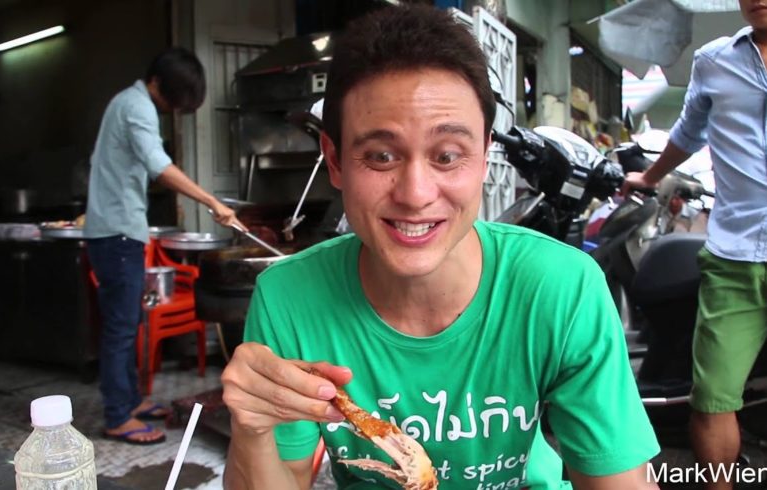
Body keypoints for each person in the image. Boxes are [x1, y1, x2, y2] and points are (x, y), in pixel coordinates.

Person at [221, 5, 660, 489]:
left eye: (447, 156)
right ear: (336, 161)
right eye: (380, 155)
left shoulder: (562, 288)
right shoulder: (290, 297)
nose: (415, 193)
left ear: (485, 156)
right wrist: (252, 427)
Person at [623, 1, 767, 488]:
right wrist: (649, 176)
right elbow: (688, 131)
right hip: (735, 256)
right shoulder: (714, 60)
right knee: (712, 397)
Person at [85, 47, 245, 445]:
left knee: (131, 323)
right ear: (159, 83)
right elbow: (159, 166)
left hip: (117, 229)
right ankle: (118, 416)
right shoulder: (136, 106)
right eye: (177, 97)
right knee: (122, 328)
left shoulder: (128, 102)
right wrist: (212, 202)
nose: (176, 108)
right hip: (117, 233)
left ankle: (131, 402)